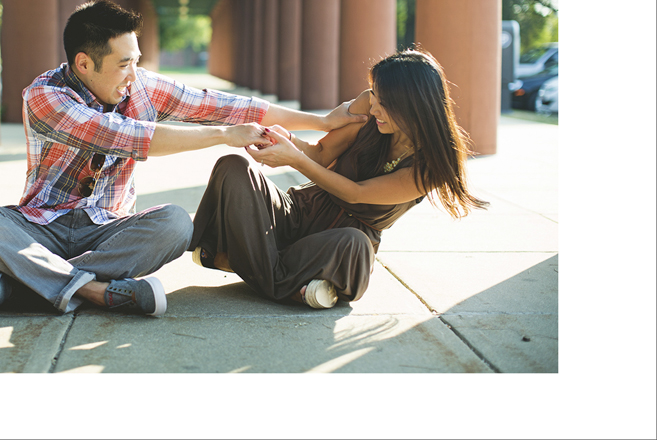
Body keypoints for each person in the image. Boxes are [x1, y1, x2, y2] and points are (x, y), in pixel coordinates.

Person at [0, 0, 366, 317]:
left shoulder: (140, 86)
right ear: (84, 64)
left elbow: (223, 105)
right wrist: (223, 136)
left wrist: (322, 121)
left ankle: (29, 281)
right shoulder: (45, 96)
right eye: (124, 64)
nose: (134, 74)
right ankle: (93, 290)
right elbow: (126, 136)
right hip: (41, 225)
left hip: (108, 231)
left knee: (177, 225)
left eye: (137, 61)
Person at [189, 49, 490, 309]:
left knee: (356, 243)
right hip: (298, 212)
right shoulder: (368, 107)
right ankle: (289, 283)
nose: (374, 107)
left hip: (336, 245)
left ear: (412, 104)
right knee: (233, 167)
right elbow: (320, 154)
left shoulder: (431, 168)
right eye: (374, 96)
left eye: (384, 102)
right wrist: (286, 140)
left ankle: (240, 261)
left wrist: (294, 159)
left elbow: (355, 193)